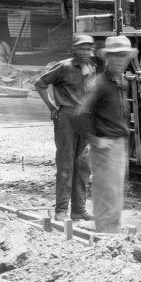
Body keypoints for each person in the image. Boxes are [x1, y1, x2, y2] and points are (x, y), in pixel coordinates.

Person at [34, 34, 101, 222]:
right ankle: (61, 210)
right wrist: (51, 107)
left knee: (83, 166)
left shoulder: (91, 68)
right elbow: (40, 84)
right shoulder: (63, 67)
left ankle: (79, 209)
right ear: (74, 49)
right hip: (67, 118)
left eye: (89, 48)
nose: (86, 51)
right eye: (82, 48)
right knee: (66, 164)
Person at [76, 35, 136, 233]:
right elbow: (82, 113)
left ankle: (113, 229)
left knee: (116, 190)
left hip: (118, 143)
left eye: (124, 57)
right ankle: (106, 233)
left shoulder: (120, 82)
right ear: (108, 58)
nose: (120, 61)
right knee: (106, 190)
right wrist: (95, 140)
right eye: (116, 56)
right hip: (106, 144)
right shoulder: (99, 84)